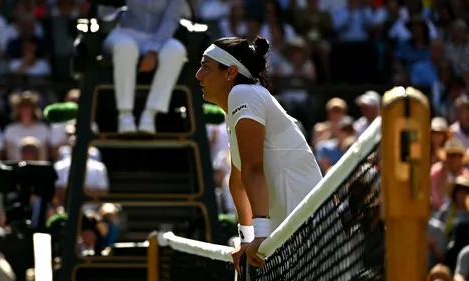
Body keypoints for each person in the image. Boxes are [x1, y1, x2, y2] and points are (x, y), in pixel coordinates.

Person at [195, 36, 322, 270]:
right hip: (288, 232)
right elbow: (238, 180)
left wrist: (260, 236)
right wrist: (247, 238)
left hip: (307, 229)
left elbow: (253, 170)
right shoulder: (239, 103)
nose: (198, 75)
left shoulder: (244, 94)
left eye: (205, 67)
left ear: (230, 72)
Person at [103, 0, 187, 134]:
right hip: (125, 32)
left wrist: (153, 51)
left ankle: (150, 114)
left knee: (176, 51)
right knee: (125, 47)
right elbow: (106, 14)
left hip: (159, 35)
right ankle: (125, 115)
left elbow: (171, 20)